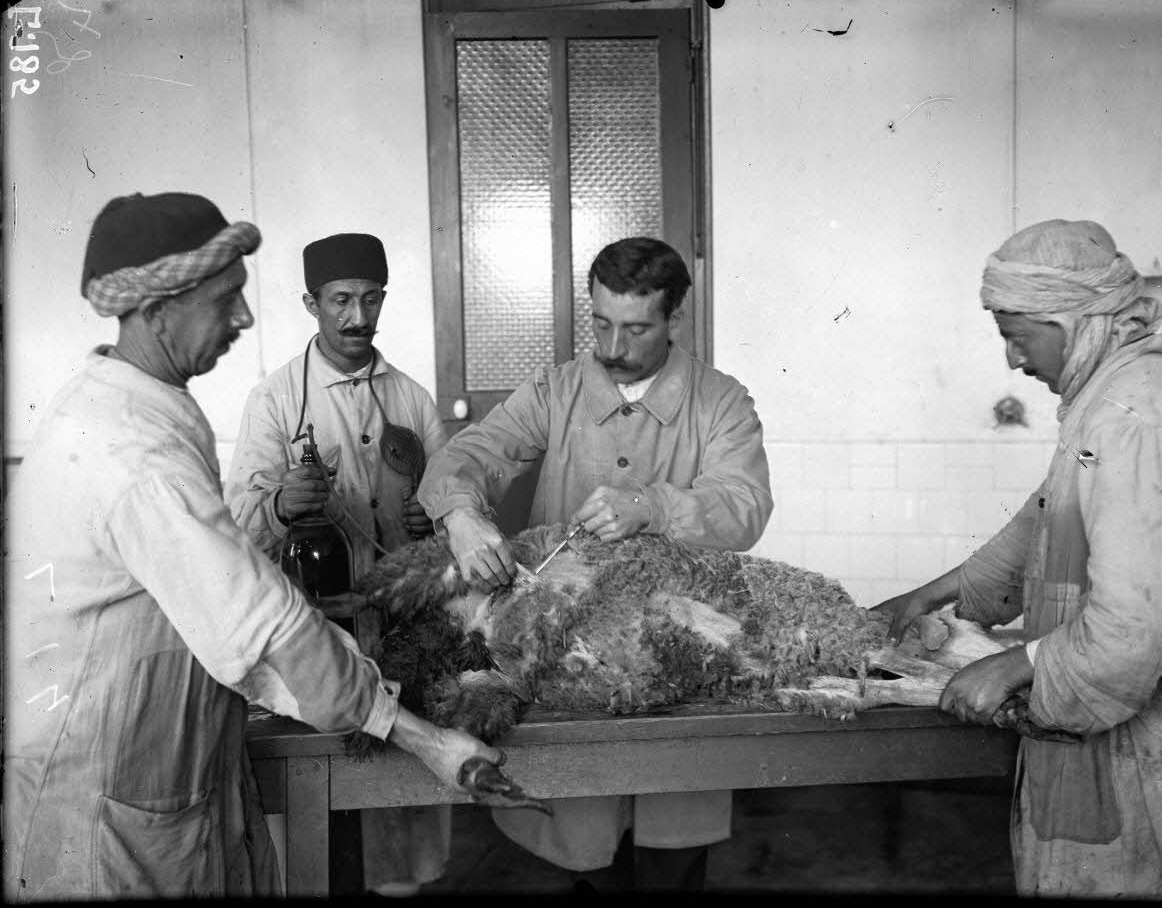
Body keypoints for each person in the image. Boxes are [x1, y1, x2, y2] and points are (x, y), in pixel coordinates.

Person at [2, 193, 501, 901]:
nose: (244, 318)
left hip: (176, 745)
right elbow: (261, 620)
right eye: (227, 299)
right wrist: (426, 740)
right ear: (157, 308)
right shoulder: (131, 450)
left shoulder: (145, 403)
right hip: (108, 784)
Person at [874, 218, 1162, 898]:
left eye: (1017, 337)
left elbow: (1134, 633)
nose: (1014, 362)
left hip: (1139, 774)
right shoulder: (1122, 394)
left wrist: (1017, 664)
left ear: (1074, 320)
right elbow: (1047, 521)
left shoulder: (1133, 419)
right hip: (1111, 767)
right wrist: (923, 601)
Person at [420, 236, 773, 891]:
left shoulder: (720, 401)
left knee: (673, 848)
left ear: (676, 318)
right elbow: (462, 458)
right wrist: (462, 516)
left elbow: (746, 507)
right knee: (581, 846)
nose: (613, 348)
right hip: (570, 659)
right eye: (602, 324)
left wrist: (655, 506)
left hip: (680, 660)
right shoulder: (554, 392)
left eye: (636, 328)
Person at [223, 233, 452, 896]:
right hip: (309, 633)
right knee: (318, 821)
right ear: (311, 304)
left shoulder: (410, 399)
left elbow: (454, 496)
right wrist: (280, 505)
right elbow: (235, 522)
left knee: (397, 826)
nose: (359, 316)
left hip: (401, 631)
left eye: (371, 298)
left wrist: (429, 519)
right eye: (342, 300)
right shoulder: (275, 401)